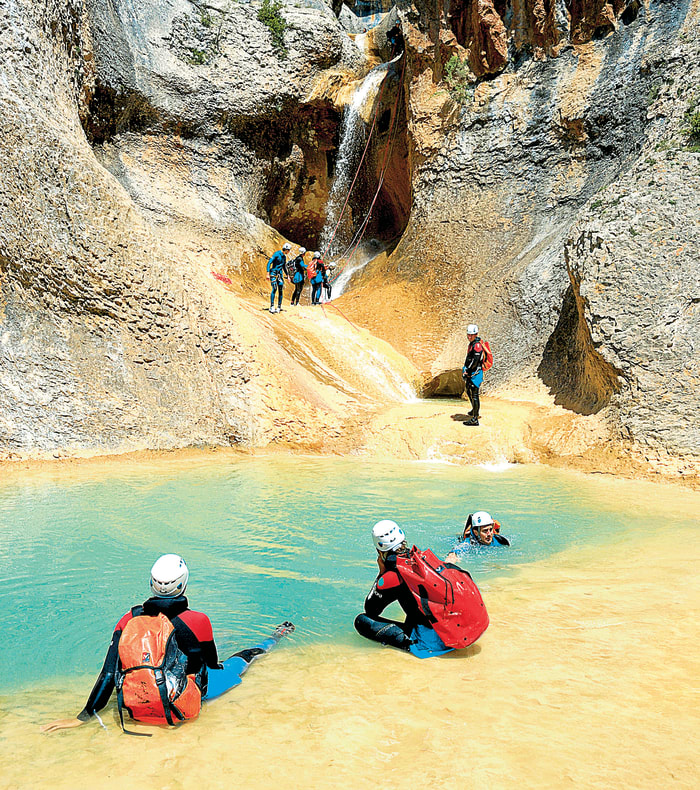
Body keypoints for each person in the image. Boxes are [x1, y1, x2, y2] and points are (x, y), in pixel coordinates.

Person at [41, 554, 294, 734]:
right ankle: (276, 636)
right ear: (183, 583)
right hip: (185, 699)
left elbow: (108, 674)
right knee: (243, 658)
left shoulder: (126, 620)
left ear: (152, 584)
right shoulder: (198, 620)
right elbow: (211, 665)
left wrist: (83, 717)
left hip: (139, 703)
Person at [462, 323, 486, 426]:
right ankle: (474, 410)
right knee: (468, 390)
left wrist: (468, 371)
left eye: (471, 335)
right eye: (468, 334)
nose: (469, 337)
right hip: (472, 372)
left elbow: (475, 361)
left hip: (475, 373)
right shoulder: (472, 344)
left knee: (475, 394)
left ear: (476, 334)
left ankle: (475, 419)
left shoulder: (477, 345)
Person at [266, 243, 291, 313]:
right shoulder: (276, 254)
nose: (289, 252)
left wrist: (288, 275)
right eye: (288, 250)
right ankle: (272, 306)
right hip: (273, 273)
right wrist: (268, 273)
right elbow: (269, 263)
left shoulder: (284, 257)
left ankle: (279, 307)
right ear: (286, 249)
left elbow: (284, 267)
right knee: (274, 288)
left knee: (280, 289)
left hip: (280, 274)